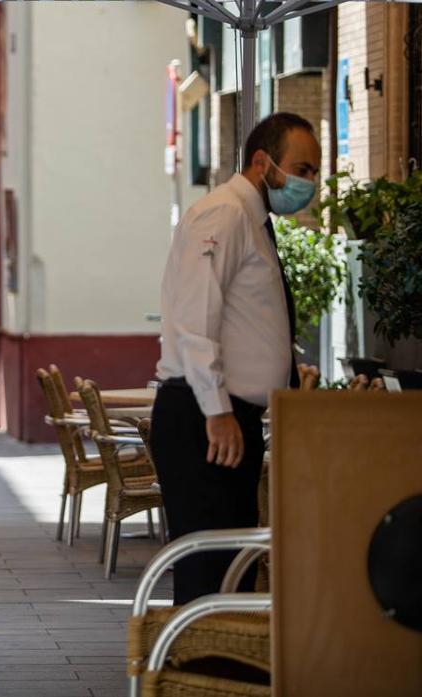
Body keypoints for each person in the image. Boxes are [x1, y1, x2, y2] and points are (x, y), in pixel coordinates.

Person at [151, 113, 319, 605]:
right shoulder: (223, 214)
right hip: (205, 417)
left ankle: (216, 671)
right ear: (262, 162)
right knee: (210, 573)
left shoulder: (250, 220)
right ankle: (201, 676)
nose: (309, 183)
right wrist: (218, 410)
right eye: (302, 169)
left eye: (314, 172)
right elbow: (195, 318)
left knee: (231, 572)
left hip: (228, 417)